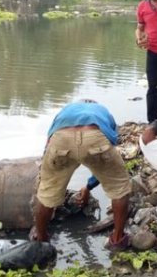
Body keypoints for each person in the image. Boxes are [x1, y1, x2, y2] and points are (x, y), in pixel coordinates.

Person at [31, 99, 132, 251]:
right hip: (95, 135)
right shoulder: (102, 111)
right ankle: (117, 240)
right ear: (94, 104)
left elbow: (49, 142)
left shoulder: (66, 111)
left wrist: (47, 176)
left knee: (47, 191)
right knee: (118, 187)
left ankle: (41, 239)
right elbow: (107, 164)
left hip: (61, 138)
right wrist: (90, 186)